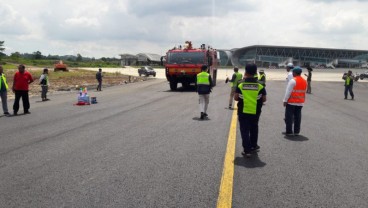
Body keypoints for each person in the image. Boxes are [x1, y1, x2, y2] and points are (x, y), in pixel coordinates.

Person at [234, 64, 267, 157]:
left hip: (243, 111)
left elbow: (236, 98)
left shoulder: (240, 84)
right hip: (256, 111)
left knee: (244, 130)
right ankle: (253, 145)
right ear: (256, 72)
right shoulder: (260, 84)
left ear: (246, 72)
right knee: (254, 128)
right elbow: (264, 99)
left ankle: (247, 150)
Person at [282, 66, 307, 136]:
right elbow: (304, 92)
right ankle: (296, 131)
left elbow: (288, 92)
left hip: (291, 102)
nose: (292, 73)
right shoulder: (304, 81)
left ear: (295, 73)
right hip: (300, 102)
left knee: (289, 117)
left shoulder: (293, 80)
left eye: (293, 72)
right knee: (298, 117)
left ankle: (289, 131)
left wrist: (285, 100)